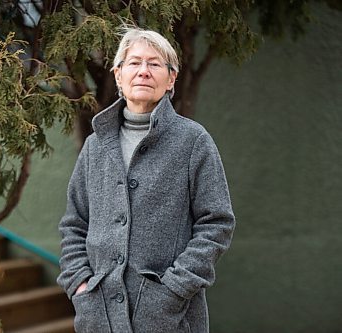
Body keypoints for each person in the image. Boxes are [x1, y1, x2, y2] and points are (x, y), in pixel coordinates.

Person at [57, 27, 236, 333]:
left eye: (154, 64)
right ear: (118, 75)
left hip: (170, 317)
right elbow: (74, 224)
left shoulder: (193, 141)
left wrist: (172, 291)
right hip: (98, 316)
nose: (143, 71)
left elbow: (216, 223)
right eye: (134, 63)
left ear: (171, 79)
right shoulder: (95, 145)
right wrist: (79, 284)